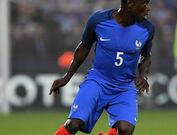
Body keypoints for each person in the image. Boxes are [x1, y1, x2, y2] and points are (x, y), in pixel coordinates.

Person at [49, 0, 155, 135]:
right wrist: (66, 77)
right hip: (98, 81)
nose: (148, 8)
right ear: (130, 3)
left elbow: (146, 56)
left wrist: (142, 76)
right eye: (144, 3)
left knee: (126, 129)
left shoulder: (147, 29)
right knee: (73, 124)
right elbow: (84, 47)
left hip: (124, 87)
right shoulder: (98, 20)